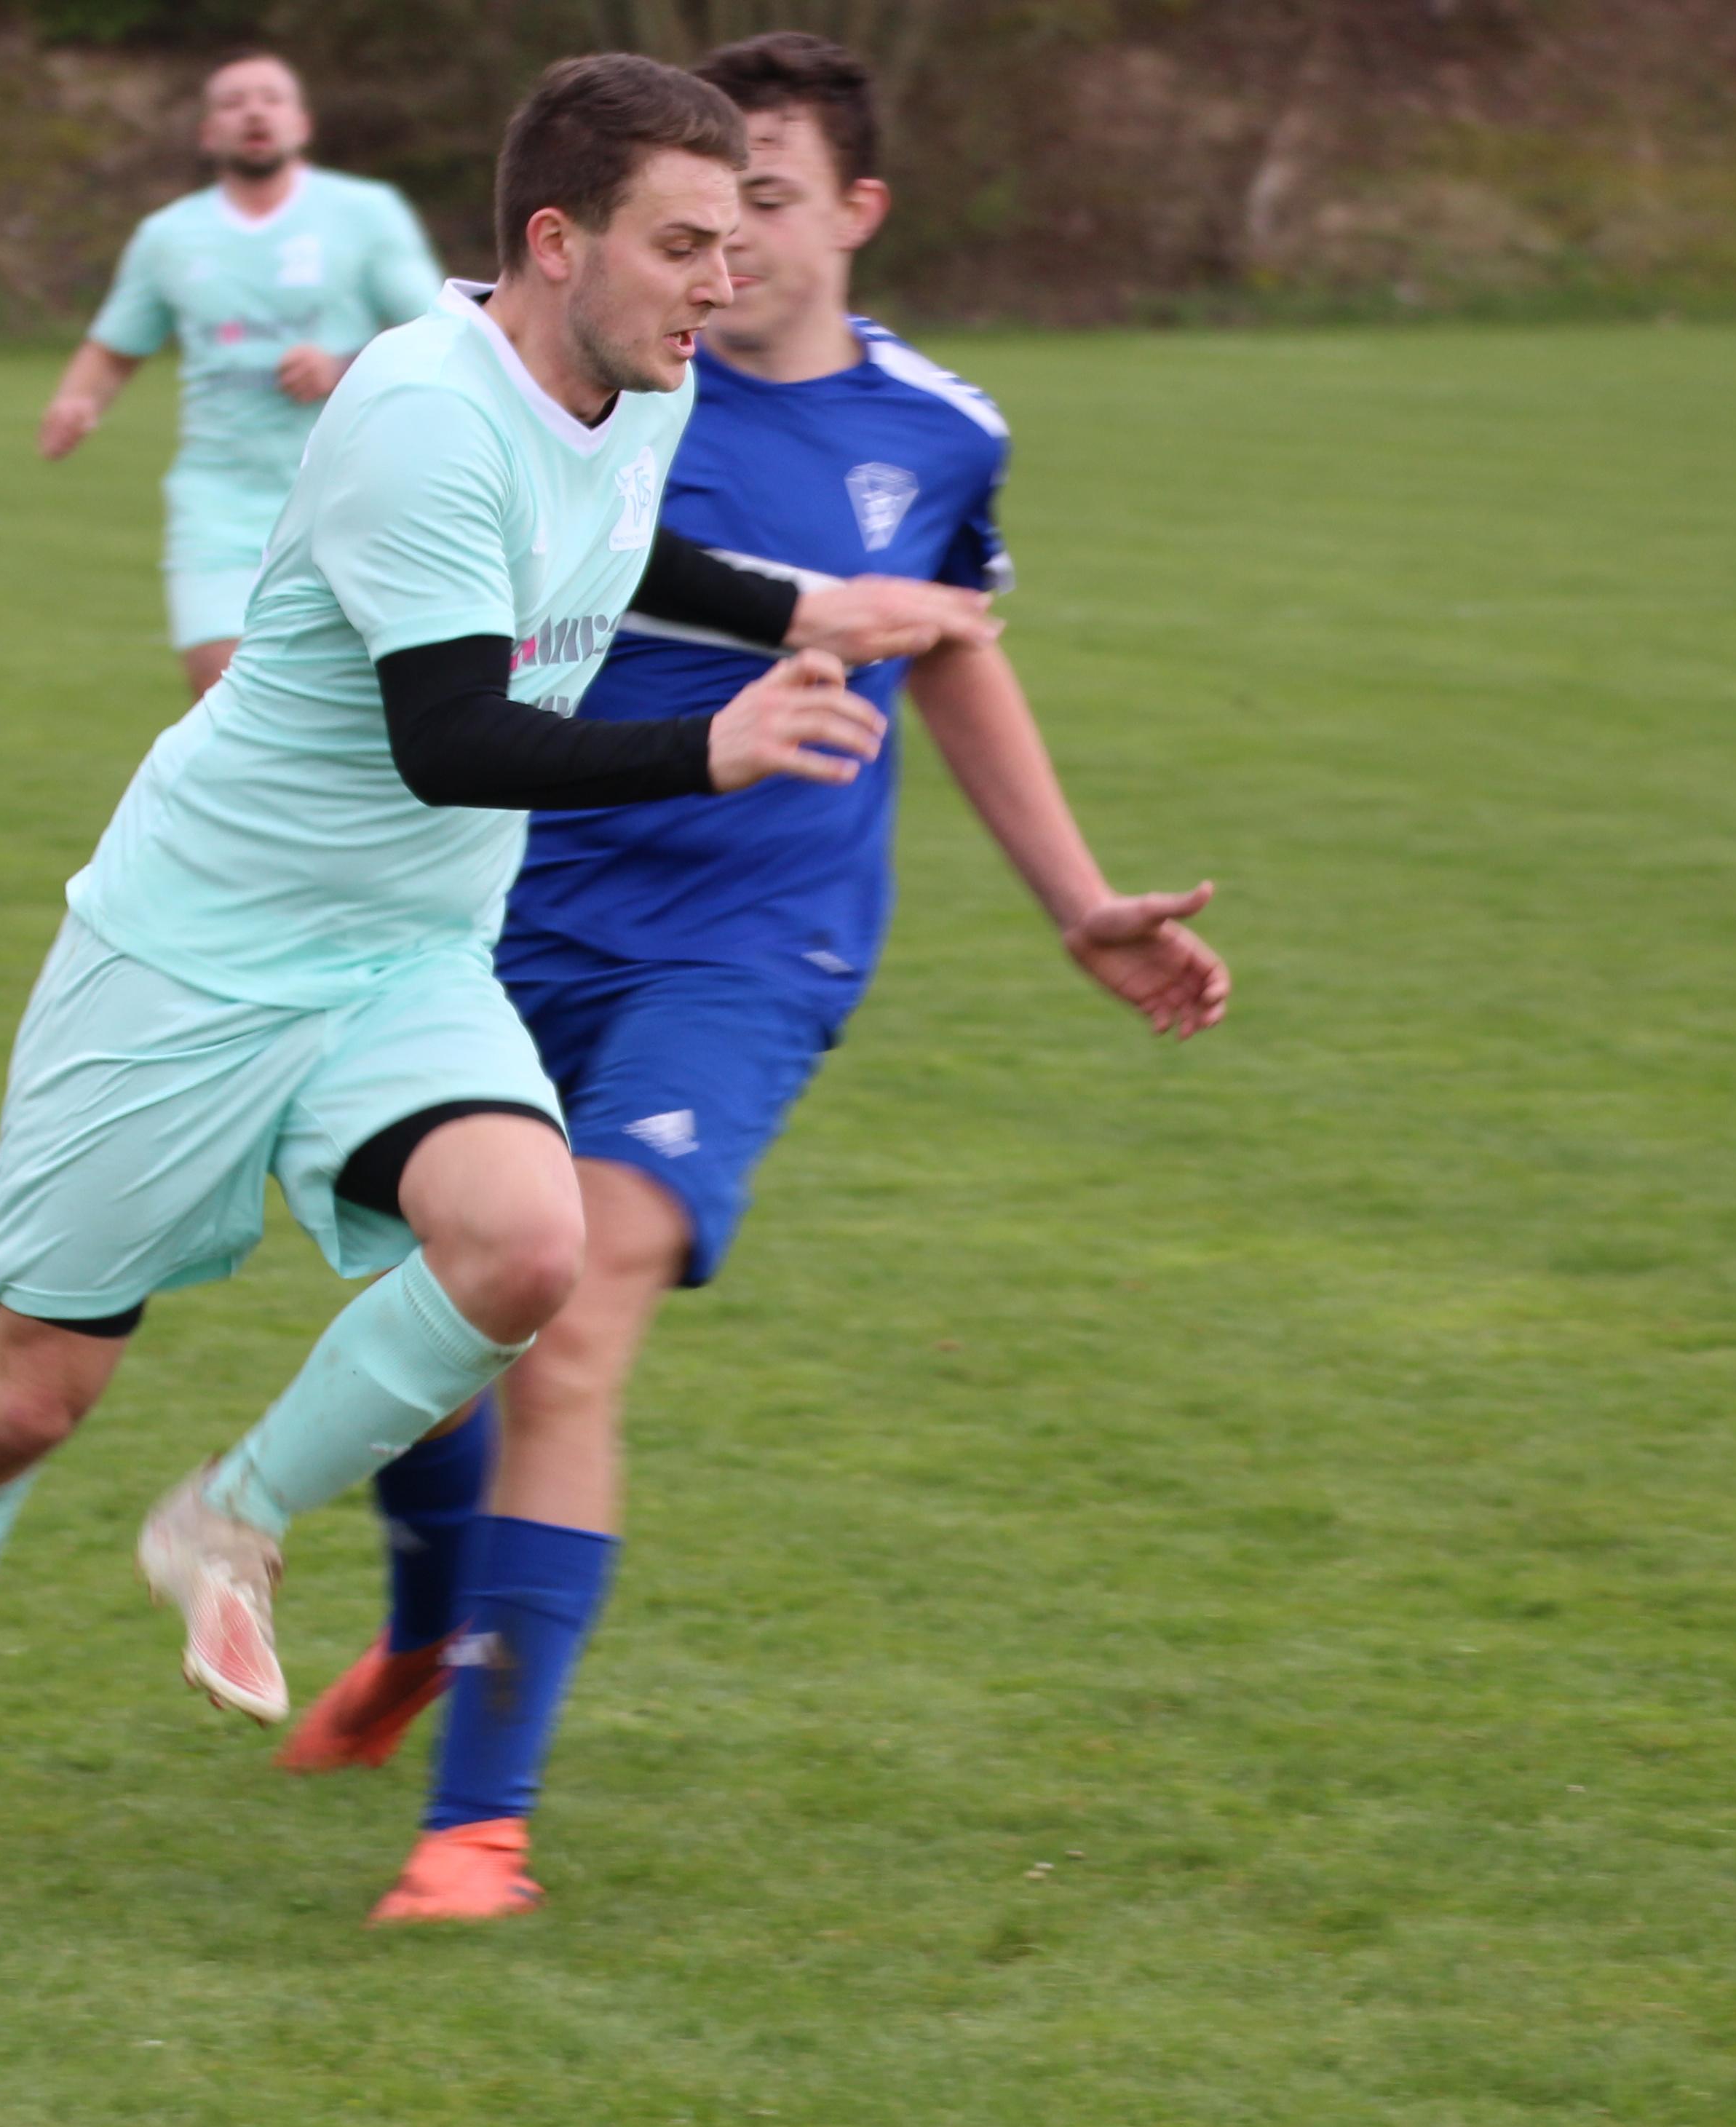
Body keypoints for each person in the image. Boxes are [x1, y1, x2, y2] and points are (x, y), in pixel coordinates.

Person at [0, 54, 999, 1890]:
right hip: (192, 950)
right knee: (25, 1399)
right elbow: (452, 731)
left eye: (734, 235)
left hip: (404, 950)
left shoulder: (636, 372)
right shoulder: (419, 412)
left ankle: (234, 1516)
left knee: (529, 1246)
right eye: (681, 241)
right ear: (551, 240)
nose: (723, 274)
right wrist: (714, 745)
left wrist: (789, 607)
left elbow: (611, 547)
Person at [280, 31, 1231, 1927]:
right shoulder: (572, 360)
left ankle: (480, 1831)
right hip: (503, 902)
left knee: (581, 1296)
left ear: (856, 213)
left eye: (768, 208)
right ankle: (417, 1637)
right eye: (698, 219)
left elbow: (946, 641)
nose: (728, 255)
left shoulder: (939, 432)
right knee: (440, 1331)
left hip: (752, 934)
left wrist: (1072, 897)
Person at [39, 52, 445, 700]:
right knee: (219, 684)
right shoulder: (168, 236)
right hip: (221, 494)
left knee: (367, 698)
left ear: (302, 124)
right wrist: (76, 401)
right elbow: (115, 349)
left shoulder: (366, 214)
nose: (254, 111)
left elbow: (439, 332)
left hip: (355, 493)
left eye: (271, 98)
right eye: (233, 102)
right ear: (208, 134)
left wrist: (342, 364)